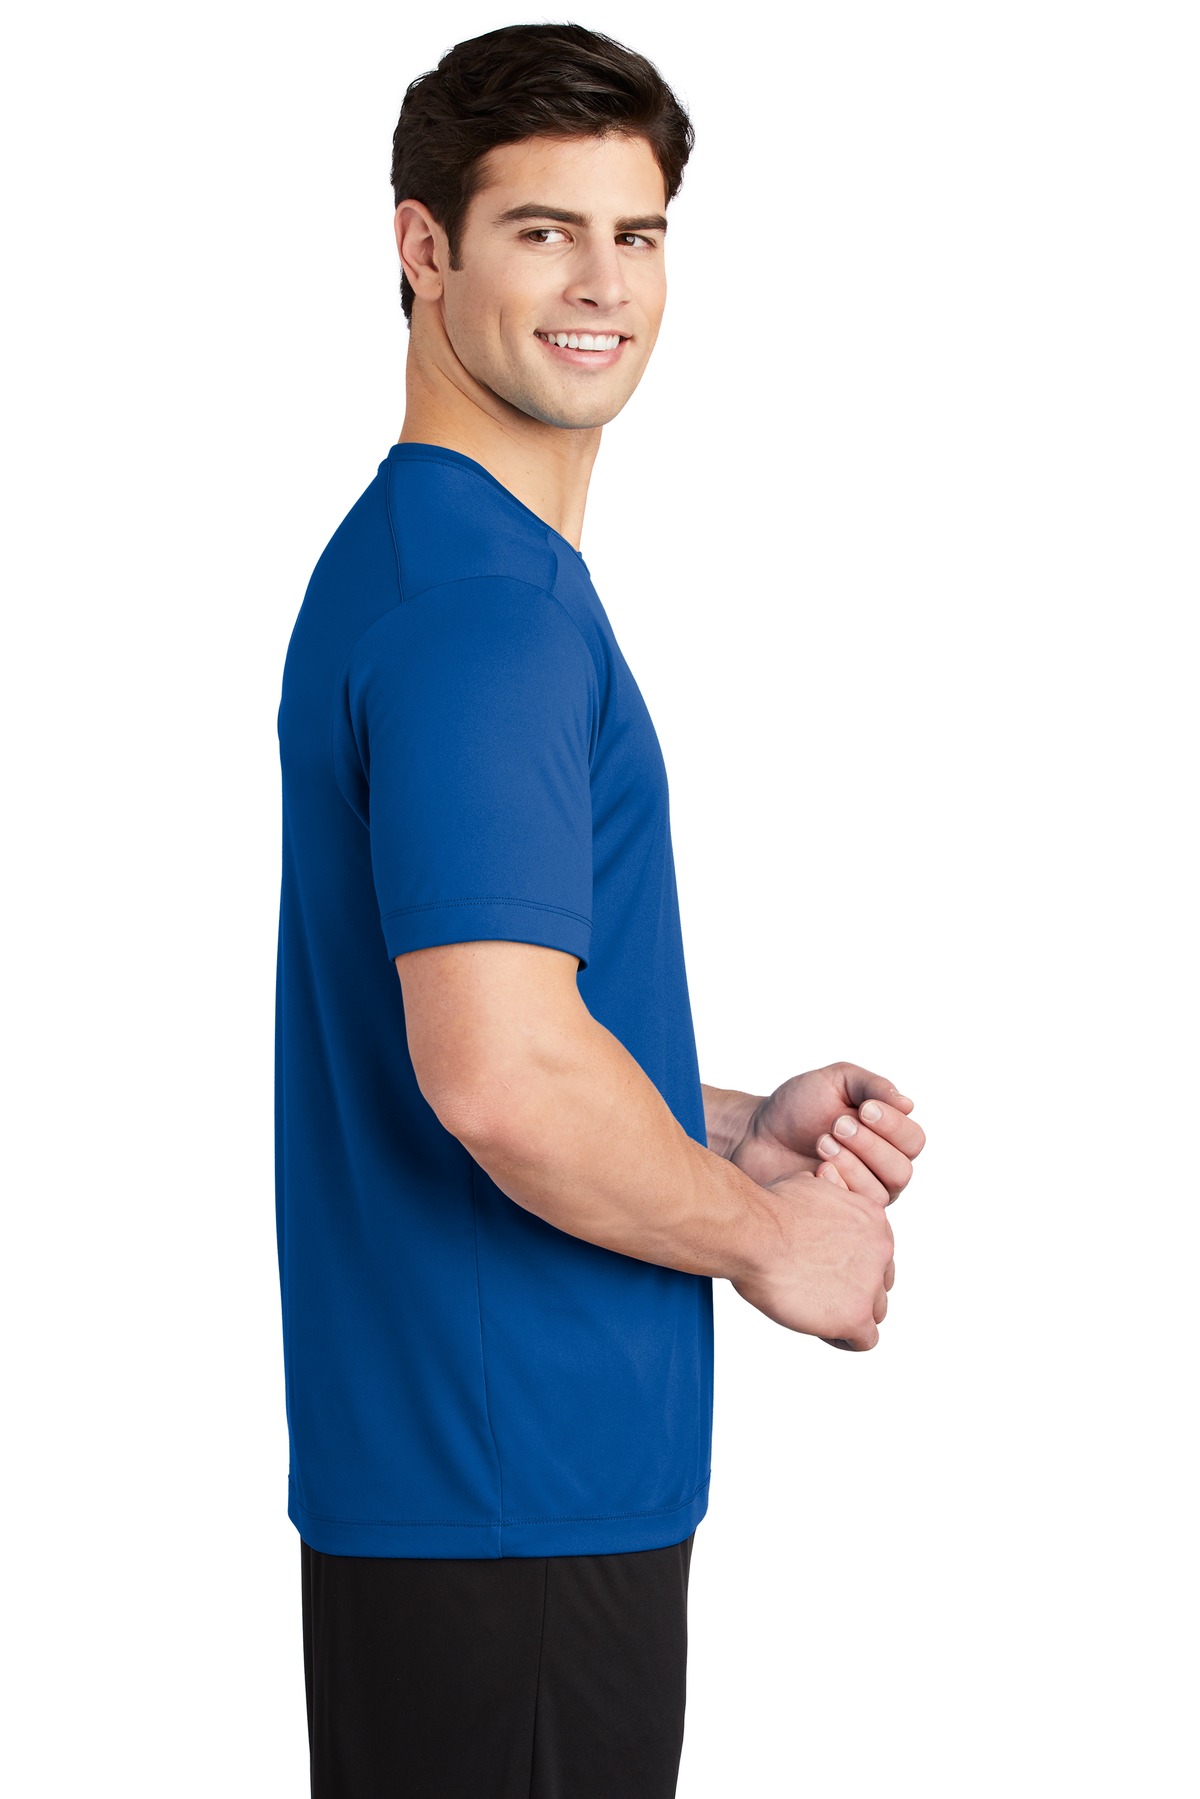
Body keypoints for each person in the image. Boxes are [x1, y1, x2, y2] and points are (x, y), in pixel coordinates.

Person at [273, 21, 925, 1798]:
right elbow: (502, 1082)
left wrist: (720, 1122)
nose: (603, 286)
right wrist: (773, 1235)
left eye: (637, 234)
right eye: (544, 230)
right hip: (522, 1490)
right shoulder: (483, 614)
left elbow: (473, 1032)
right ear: (423, 248)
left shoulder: (434, 567)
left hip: (477, 1480)